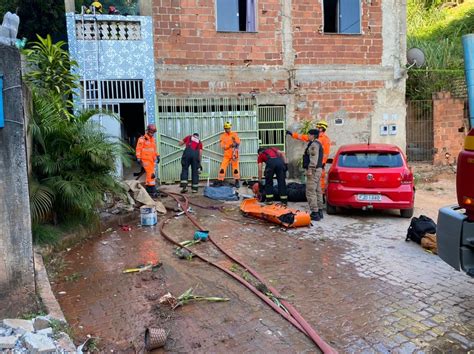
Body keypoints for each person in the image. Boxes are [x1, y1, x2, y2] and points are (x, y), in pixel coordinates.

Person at [286, 120, 331, 191]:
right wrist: (292, 134)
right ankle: (319, 197)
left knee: (319, 182)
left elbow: (325, 153)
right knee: (317, 183)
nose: (316, 128)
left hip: (318, 165)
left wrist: (321, 163)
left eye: (318, 127)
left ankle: (320, 196)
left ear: (321, 128)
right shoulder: (317, 137)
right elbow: (303, 137)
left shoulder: (323, 139)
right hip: (318, 164)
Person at [303, 129, 324, 221]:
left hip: (314, 170)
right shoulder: (318, 144)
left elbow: (313, 158)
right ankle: (319, 211)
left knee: (310, 191)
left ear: (313, 135)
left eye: (309, 134)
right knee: (318, 190)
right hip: (318, 169)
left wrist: (310, 169)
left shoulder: (314, 145)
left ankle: (315, 213)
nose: (308, 136)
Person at [136, 124, 160, 198]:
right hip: (145, 160)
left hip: (151, 160)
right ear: (148, 131)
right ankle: (152, 189)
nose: (152, 134)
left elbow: (154, 149)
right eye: (151, 132)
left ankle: (149, 188)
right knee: (151, 174)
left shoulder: (152, 139)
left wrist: (157, 155)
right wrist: (138, 157)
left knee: (151, 174)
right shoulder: (142, 139)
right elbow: (138, 149)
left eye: (153, 132)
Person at [218, 121, 240, 187]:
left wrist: (235, 142)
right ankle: (220, 180)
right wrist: (229, 145)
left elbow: (238, 142)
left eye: (228, 128)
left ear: (230, 128)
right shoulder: (222, 136)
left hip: (234, 155)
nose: (227, 130)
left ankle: (237, 181)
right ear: (224, 129)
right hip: (227, 155)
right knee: (222, 168)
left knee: (235, 169)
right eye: (226, 128)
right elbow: (222, 146)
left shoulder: (234, 134)